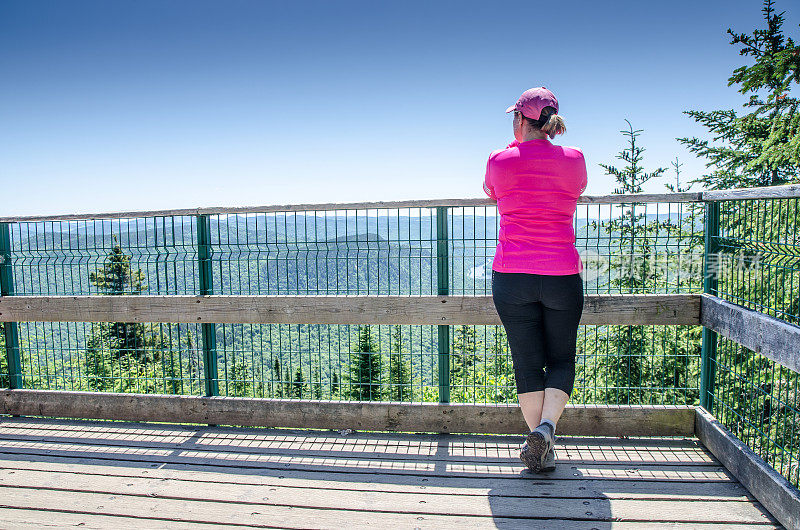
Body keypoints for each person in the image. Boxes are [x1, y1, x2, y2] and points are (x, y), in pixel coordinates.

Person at [483, 87, 587, 473]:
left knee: (527, 363)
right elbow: (576, 190)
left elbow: (492, 191)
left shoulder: (499, 160)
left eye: (514, 116)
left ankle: (542, 447)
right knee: (561, 358)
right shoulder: (575, 160)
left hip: (512, 276)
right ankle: (546, 430)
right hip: (561, 274)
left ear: (522, 120)